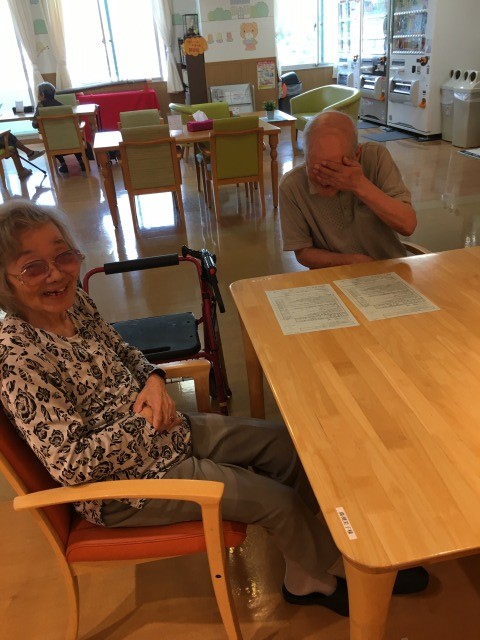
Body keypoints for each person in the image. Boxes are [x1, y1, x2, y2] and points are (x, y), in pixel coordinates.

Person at [0, 200, 428, 617]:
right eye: (32, 267)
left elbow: (125, 352)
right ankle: (325, 573)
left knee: (287, 445)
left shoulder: (76, 305)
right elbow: (72, 464)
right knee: (278, 501)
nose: (56, 274)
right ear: (5, 280)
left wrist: (155, 380)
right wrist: (145, 421)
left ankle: (307, 564)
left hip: (166, 432)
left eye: (64, 256)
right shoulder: (17, 358)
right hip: (130, 485)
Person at [279, 111, 418, 269]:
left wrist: (359, 185)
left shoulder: (376, 158)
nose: (324, 179)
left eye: (334, 169)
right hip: (334, 275)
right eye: (316, 169)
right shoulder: (291, 186)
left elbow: (407, 225)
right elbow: (303, 253)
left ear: (356, 155)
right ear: (305, 157)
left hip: (390, 270)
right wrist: (351, 262)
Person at [32, 82, 90, 174]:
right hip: (72, 141)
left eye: (38, 93)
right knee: (72, 135)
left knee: (52, 137)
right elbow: (76, 123)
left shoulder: (40, 108)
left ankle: (63, 164)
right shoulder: (63, 107)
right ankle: (81, 162)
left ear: (42, 94)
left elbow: (34, 125)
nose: (37, 96)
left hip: (53, 143)